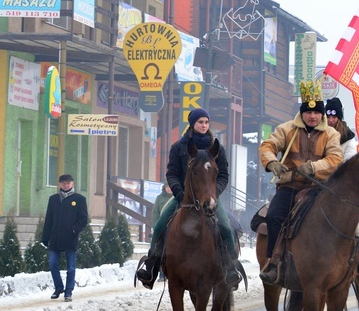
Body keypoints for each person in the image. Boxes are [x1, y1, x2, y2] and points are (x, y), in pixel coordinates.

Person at [136, 108, 243, 290]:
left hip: (210, 198)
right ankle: (151, 266)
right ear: (193, 124)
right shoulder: (179, 147)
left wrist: (214, 192)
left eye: (206, 122)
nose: (204, 125)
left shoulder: (216, 148)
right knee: (161, 224)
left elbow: (224, 174)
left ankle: (231, 268)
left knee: (225, 226)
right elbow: (172, 173)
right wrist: (179, 193)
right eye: (200, 122)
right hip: (183, 198)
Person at [258, 83, 343, 284]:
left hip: (320, 189)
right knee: (273, 216)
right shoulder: (286, 129)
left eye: (316, 112)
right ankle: (273, 261)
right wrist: (271, 162)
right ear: (302, 112)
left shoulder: (332, 134)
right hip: (291, 186)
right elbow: (268, 146)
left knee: (344, 220)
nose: (312, 116)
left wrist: (313, 167)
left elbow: (335, 159)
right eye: (308, 112)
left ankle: (347, 261)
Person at [42, 174, 89, 302]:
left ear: (72, 184)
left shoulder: (79, 199)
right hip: (55, 238)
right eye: (63, 183)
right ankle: (58, 288)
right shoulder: (53, 199)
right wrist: (45, 237)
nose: (65, 185)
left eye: (68, 183)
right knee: (52, 264)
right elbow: (49, 220)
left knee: (71, 267)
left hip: (70, 238)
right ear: (59, 184)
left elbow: (84, 219)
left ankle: (68, 292)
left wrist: (73, 229)